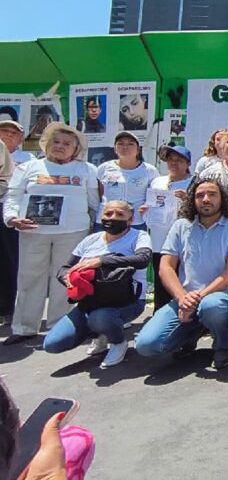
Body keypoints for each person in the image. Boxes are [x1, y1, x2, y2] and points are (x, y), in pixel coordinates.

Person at [135, 179, 228, 370]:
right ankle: (190, 335)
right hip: (184, 297)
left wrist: (198, 298)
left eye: (212, 194)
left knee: (212, 306)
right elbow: (165, 267)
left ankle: (222, 345)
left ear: (223, 199)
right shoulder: (181, 226)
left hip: (221, 296)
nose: (206, 199)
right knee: (146, 345)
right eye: (200, 195)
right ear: (192, 200)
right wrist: (182, 298)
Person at [3, 123, 99, 345]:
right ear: (46, 144)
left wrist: (95, 228)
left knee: (65, 278)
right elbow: (13, 195)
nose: (60, 147)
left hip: (73, 232)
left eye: (66, 144)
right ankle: (25, 327)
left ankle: (60, 325)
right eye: (55, 142)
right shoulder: (28, 168)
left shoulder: (86, 170)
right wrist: (11, 218)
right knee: (29, 278)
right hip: (33, 231)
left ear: (75, 149)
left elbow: (94, 202)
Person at [43, 200, 152, 368]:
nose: (113, 218)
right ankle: (99, 334)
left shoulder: (139, 236)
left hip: (127, 301)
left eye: (120, 214)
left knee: (100, 317)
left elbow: (142, 259)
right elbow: (65, 268)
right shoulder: (90, 240)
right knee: (53, 344)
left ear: (130, 220)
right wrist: (69, 279)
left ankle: (118, 342)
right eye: (108, 214)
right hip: (89, 302)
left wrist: (102, 261)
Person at [140, 146, 194, 311]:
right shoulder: (157, 181)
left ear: (188, 163)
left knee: (181, 278)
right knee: (161, 277)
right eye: (170, 160)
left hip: (184, 240)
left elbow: (200, 211)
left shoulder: (195, 182)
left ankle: (184, 312)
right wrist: (145, 210)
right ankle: (160, 312)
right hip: (159, 238)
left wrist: (187, 199)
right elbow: (151, 205)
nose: (174, 163)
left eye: (179, 160)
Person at [0, 117, 31, 324]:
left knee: (7, 260)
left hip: (10, 210)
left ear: (20, 138)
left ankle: (5, 308)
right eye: (4, 130)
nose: (8, 134)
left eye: (13, 132)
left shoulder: (29, 157)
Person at [95, 132, 158, 232]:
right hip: (108, 218)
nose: (125, 147)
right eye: (120, 144)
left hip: (135, 220)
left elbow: (155, 194)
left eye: (130, 144)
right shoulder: (104, 168)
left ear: (138, 150)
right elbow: (97, 193)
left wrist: (147, 205)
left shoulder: (149, 170)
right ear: (115, 149)